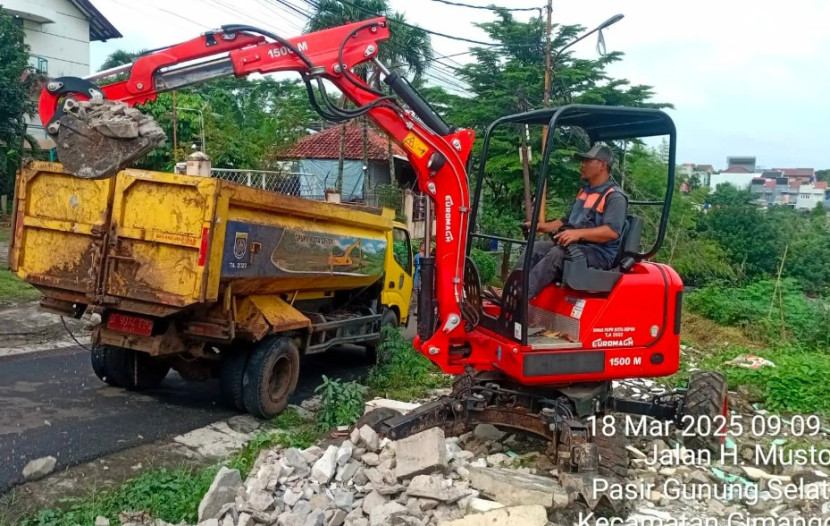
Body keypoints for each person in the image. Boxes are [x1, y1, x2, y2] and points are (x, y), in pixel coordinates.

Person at [520, 143, 628, 299]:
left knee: (558, 254)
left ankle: (521, 300)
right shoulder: (585, 191)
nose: (582, 165)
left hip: (599, 254)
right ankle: (513, 289)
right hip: (575, 247)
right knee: (535, 248)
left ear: (602, 165)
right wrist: (541, 227)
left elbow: (612, 232)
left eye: (587, 161)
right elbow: (565, 221)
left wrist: (578, 234)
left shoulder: (615, 197)